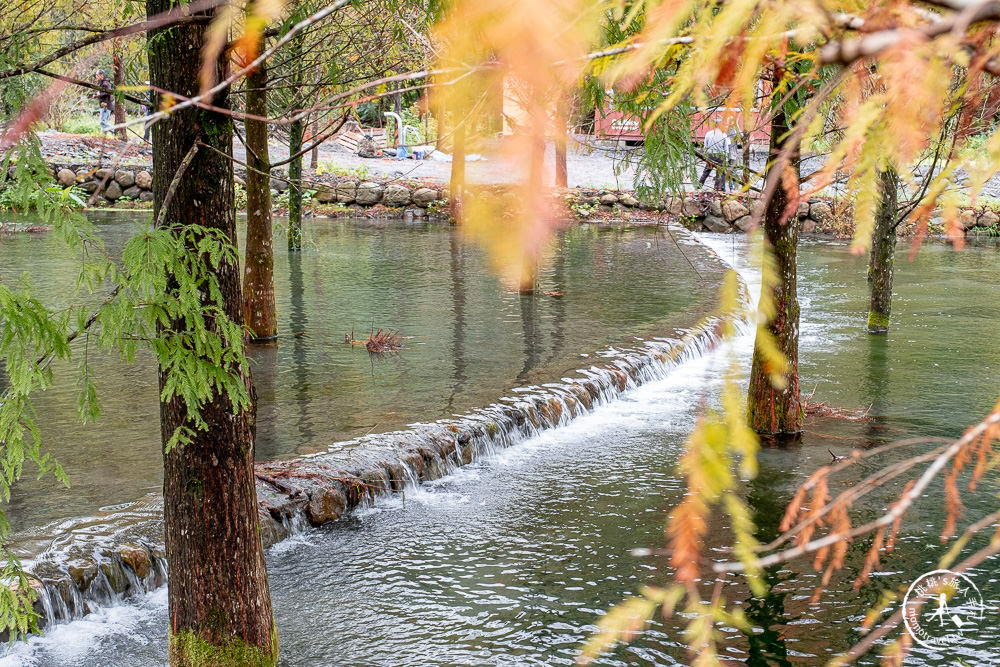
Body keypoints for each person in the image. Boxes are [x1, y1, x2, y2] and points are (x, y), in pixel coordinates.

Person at [699, 117, 730, 191]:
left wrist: (705, 156)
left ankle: (699, 186)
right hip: (720, 157)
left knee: (706, 172)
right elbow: (726, 149)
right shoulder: (724, 135)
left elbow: (705, 146)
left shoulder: (708, 134)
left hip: (710, 156)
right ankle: (717, 189)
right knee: (720, 173)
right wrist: (726, 159)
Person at [94, 69, 114, 136]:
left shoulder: (105, 83)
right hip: (104, 105)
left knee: (102, 122)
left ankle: (115, 131)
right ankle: (103, 137)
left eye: (97, 75)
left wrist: (98, 95)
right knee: (104, 122)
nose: (96, 76)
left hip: (106, 105)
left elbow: (108, 92)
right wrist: (98, 95)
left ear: (101, 75)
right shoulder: (102, 83)